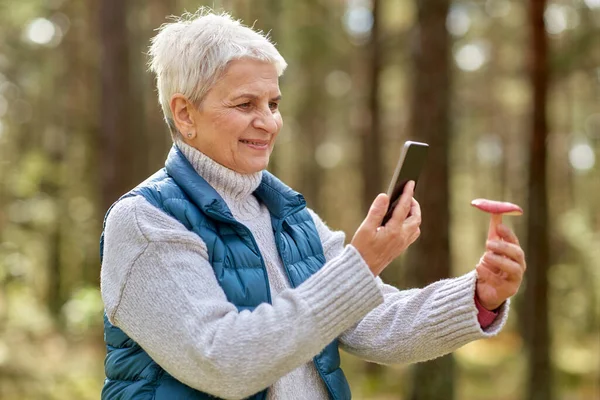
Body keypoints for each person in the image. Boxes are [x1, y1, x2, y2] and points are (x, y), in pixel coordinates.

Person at [99, 10, 526, 400]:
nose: (268, 121)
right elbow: (224, 361)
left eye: (273, 104)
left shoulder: (289, 216)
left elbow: (374, 322)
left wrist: (477, 296)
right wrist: (360, 265)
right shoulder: (144, 222)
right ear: (185, 114)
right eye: (245, 104)